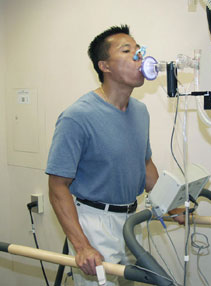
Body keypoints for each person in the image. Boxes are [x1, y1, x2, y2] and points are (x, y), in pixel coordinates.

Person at [46, 24, 172, 286]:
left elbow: (145, 164)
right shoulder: (77, 116)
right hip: (95, 223)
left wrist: (170, 205)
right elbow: (58, 186)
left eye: (139, 50)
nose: (139, 56)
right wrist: (82, 246)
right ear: (105, 66)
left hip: (131, 220)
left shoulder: (140, 111)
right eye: (127, 50)